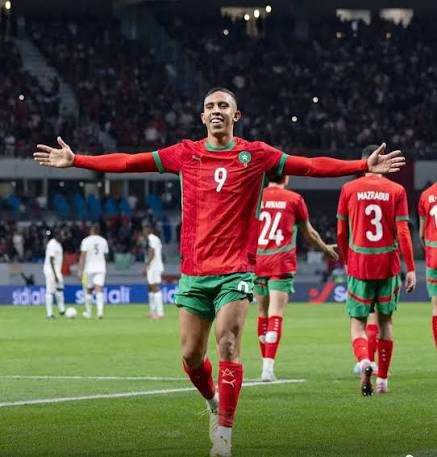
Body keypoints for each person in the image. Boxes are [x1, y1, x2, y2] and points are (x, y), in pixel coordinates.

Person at [35, 88, 404, 457]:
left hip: (236, 270)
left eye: (223, 105)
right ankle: (213, 400)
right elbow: (131, 162)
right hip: (195, 271)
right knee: (190, 356)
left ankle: (224, 435)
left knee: (227, 343)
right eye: (210, 106)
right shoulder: (185, 153)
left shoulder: (256, 155)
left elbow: (308, 165)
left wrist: (361, 166)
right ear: (202, 117)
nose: (216, 111)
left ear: (235, 115)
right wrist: (77, 160)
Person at [336, 144, 415, 397]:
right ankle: (382, 380)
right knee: (385, 321)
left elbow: (341, 231)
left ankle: (364, 360)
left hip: (359, 264)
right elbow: (403, 232)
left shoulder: (349, 189)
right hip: (388, 264)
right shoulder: (397, 190)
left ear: (364, 162)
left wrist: (346, 260)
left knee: (358, 323)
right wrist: (411, 268)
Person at [255, 175, 338, 382]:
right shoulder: (293, 199)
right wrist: (325, 249)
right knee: (276, 313)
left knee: (262, 313)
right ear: (286, 177)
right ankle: (268, 368)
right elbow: (309, 234)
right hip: (281, 261)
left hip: (257, 261)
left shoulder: (255, 196)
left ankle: (264, 364)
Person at [418, 181, 437, 345]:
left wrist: (430, 251)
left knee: (436, 309)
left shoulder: (426, 195)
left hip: (434, 257)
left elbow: (421, 234)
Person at [78, 225, 109, 319]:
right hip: (101, 268)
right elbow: (106, 255)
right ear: (98, 231)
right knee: (99, 289)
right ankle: (100, 312)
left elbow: (83, 256)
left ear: (91, 231)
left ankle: (89, 313)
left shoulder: (86, 241)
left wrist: (80, 270)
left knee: (89, 290)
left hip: (89, 268)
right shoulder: (103, 241)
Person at [143, 225, 165, 319]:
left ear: (147, 230)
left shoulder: (151, 239)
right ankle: (152, 311)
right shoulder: (155, 239)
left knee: (155, 287)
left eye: (144, 230)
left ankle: (160, 313)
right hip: (154, 266)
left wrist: (147, 264)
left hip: (154, 266)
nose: (143, 232)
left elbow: (152, 252)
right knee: (150, 288)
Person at [43, 229, 65, 319]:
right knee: (50, 291)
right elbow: (51, 259)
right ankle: (49, 314)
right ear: (57, 235)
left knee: (59, 289)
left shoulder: (58, 244)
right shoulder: (52, 244)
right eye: (62, 235)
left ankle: (62, 310)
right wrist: (55, 275)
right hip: (51, 271)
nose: (63, 237)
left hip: (57, 271)